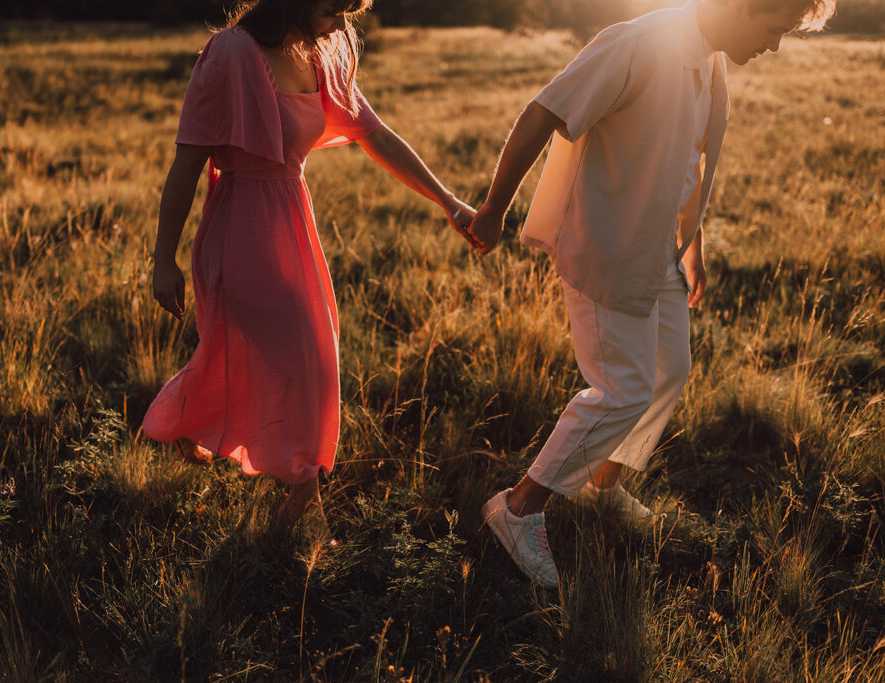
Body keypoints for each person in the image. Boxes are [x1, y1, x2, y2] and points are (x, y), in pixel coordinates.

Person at [470, 0, 835, 587]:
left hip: (654, 249)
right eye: (773, 30)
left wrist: (693, 246)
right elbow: (543, 112)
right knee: (623, 388)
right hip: (607, 248)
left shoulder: (711, 61)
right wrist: (493, 210)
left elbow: (685, 162)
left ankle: (602, 485)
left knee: (670, 369)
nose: (774, 46)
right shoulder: (637, 43)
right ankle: (517, 509)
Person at [143, 0, 479, 527]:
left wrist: (449, 201)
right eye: (333, 6)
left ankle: (195, 418)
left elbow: (378, 136)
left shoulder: (322, 55)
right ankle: (302, 501)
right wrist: (163, 260)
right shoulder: (231, 53)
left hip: (293, 223)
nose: (343, 22)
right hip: (241, 227)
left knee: (302, 350)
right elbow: (186, 162)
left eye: (349, 9)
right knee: (305, 358)